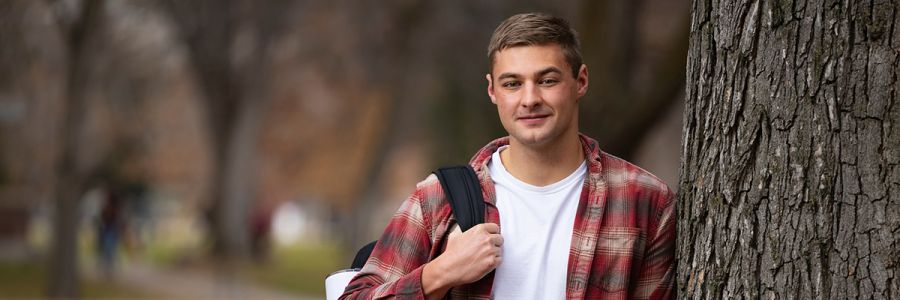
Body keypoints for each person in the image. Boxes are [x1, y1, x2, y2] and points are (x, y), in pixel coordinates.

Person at [341, 12, 675, 299]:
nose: (529, 99)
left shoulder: (644, 202)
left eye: (547, 80)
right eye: (512, 84)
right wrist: (440, 273)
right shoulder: (439, 199)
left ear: (580, 81)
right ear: (492, 91)